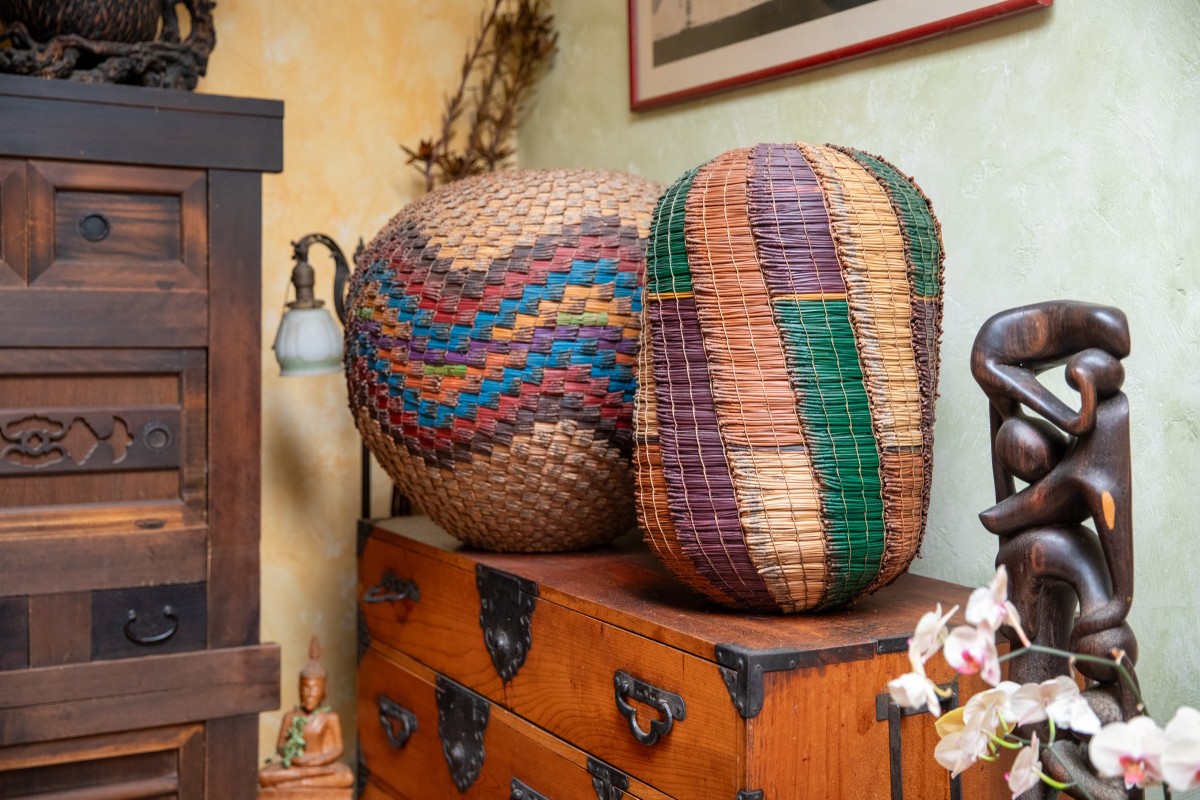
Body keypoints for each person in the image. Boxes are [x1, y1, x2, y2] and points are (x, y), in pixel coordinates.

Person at [258, 636, 354, 791]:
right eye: (305, 688)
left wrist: (318, 761)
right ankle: (301, 783)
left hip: (321, 768)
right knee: (264, 776)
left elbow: (338, 749)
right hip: (297, 767)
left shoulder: (330, 718)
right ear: (299, 689)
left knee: (346, 776)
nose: (309, 694)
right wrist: (296, 758)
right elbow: (281, 746)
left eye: (315, 689)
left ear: (324, 691)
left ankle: (294, 785)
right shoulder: (291, 717)